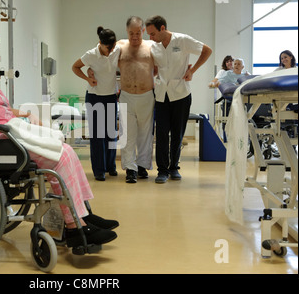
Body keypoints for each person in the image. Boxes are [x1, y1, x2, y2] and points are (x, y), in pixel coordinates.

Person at [0, 0, 118, 248]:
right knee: (59, 157)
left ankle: (82, 214)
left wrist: (23, 115)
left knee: (67, 151)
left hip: (3, 135)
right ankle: (74, 226)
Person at [145, 15, 212, 184]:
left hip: (181, 93)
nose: (150, 38)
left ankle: (174, 167)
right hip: (161, 95)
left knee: (177, 133)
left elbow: (207, 50)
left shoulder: (182, 40)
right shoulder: (154, 47)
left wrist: (192, 70)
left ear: (162, 28)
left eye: (152, 33)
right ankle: (162, 171)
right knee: (161, 134)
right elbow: (155, 70)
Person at [72, 27, 120, 181]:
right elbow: (75, 67)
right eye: (108, 47)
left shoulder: (117, 50)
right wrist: (88, 79)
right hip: (95, 97)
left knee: (111, 134)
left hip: (111, 97)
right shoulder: (91, 54)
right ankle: (99, 170)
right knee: (98, 136)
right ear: (100, 43)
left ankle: (110, 166)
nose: (110, 50)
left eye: (112, 47)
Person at [117, 16, 156, 184]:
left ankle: (142, 166)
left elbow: (161, 66)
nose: (134, 37)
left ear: (143, 31)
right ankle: (130, 169)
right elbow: (101, 57)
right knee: (127, 133)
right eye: (131, 33)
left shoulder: (151, 46)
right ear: (127, 31)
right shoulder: (119, 46)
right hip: (126, 95)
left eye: (138, 33)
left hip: (146, 95)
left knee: (145, 134)